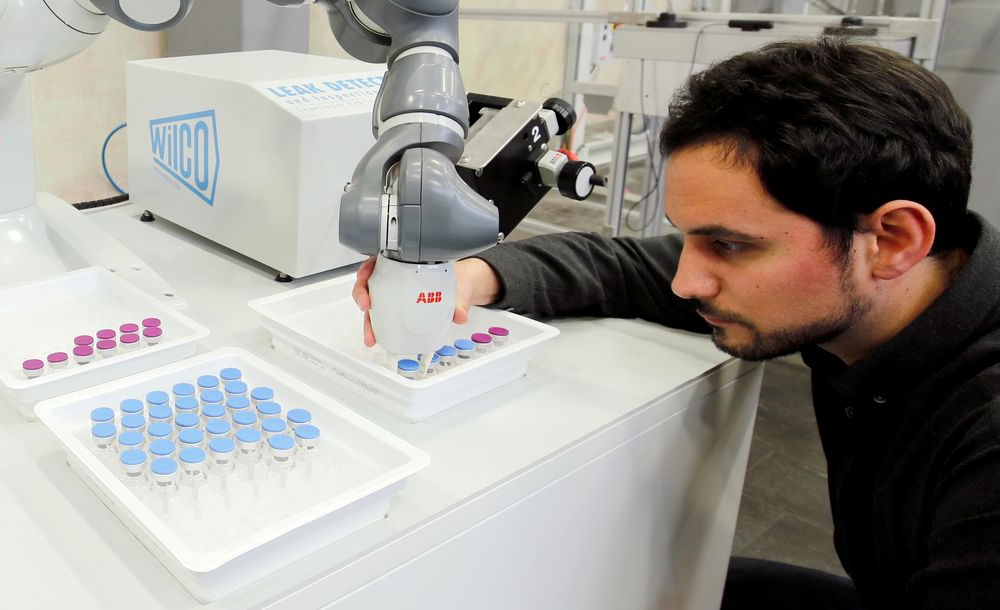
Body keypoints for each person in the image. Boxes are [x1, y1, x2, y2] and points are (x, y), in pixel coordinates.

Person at [353, 37, 1000, 609]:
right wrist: (471, 276)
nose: (688, 282)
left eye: (730, 245)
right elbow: (623, 265)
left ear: (893, 239)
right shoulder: (894, 298)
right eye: (690, 238)